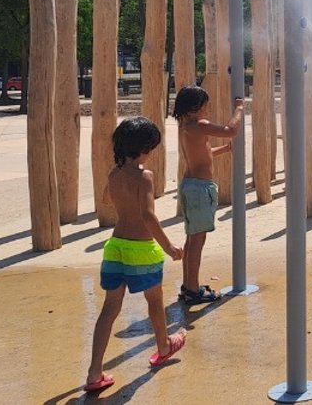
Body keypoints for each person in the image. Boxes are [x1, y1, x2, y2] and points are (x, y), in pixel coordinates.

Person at [86, 117, 186, 393]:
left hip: (116, 246)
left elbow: (106, 199)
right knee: (155, 300)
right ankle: (164, 346)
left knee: (109, 309)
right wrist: (168, 247)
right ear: (144, 148)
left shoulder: (114, 173)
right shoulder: (145, 176)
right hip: (142, 249)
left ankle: (94, 372)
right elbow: (148, 215)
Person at [173, 85, 245, 305]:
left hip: (189, 186)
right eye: (206, 105)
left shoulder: (185, 126)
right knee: (197, 241)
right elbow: (230, 129)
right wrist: (239, 108)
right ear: (195, 107)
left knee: (191, 239)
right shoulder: (199, 125)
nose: (208, 109)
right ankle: (193, 290)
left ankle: (188, 286)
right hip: (199, 189)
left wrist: (224, 149)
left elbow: (202, 154)